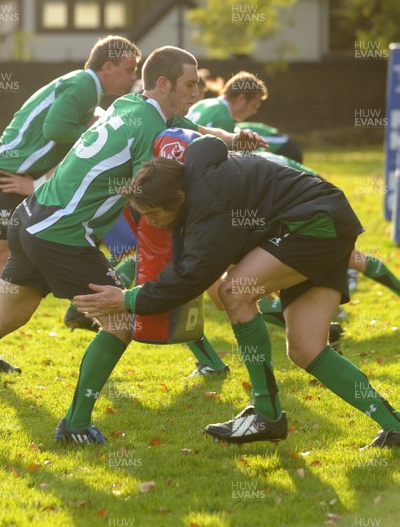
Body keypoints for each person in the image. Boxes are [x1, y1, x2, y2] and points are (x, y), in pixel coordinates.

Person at [0, 46, 265, 440]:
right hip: (60, 234)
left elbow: (193, 128)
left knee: (4, 319)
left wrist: (233, 139)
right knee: (119, 322)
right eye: (190, 84)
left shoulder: (131, 104)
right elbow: (149, 198)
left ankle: (75, 422)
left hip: (32, 217)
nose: (197, 92)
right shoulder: (148, 127)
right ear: (164, 83)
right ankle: (76, 425)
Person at [74, 136, 400, 450]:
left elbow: (193, 276)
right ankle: (394, 427)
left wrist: (127, 299)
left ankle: (266, 412)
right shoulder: (193, 180)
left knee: (234, 292)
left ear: (178, 199)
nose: (150, 222)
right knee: (306, 348)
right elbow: (206, 147)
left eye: (154, 214)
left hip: (315, 221)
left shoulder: (209, 206)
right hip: (323, 221)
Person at [0, 36, 140, 373]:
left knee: (3, 267)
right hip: (0, 174)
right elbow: (56, 128)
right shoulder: (83, 84)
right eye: (128, 70)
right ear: (106, 68)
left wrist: (31, 185)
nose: (132, 77)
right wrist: (92, 126)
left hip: (15, 176)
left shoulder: (88, 92)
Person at [188, 71, 303, 162]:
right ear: (241, 98)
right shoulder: (224, 117)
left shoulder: (204, 103)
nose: (254, 112)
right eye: (254, 106)